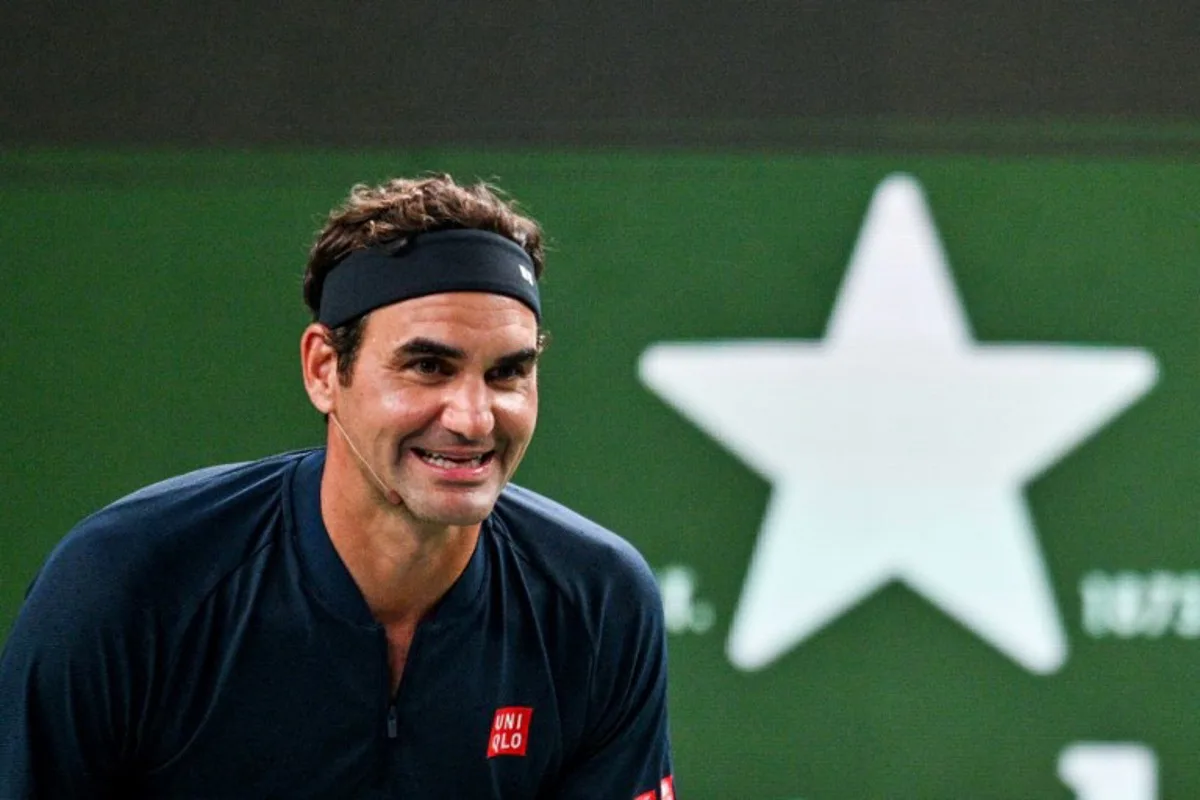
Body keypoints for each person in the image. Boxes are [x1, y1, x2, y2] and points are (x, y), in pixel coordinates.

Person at [0, 175, 677, 799]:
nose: (473, 418)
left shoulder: (599, 601)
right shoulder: (126, 584)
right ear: (324, 370)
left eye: (507, 374)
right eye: (428, 366)